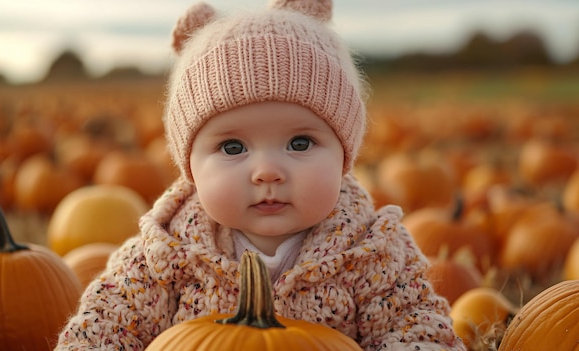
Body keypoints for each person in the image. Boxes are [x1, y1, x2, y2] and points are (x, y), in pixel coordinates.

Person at [55, 0, 465, 350]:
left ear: (345, 155)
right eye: (233, 148)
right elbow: (106, 324)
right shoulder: (164, 252)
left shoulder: (373, 252)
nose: (268, 171)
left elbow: (418, 328)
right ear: (191, 169)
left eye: (300, 144)